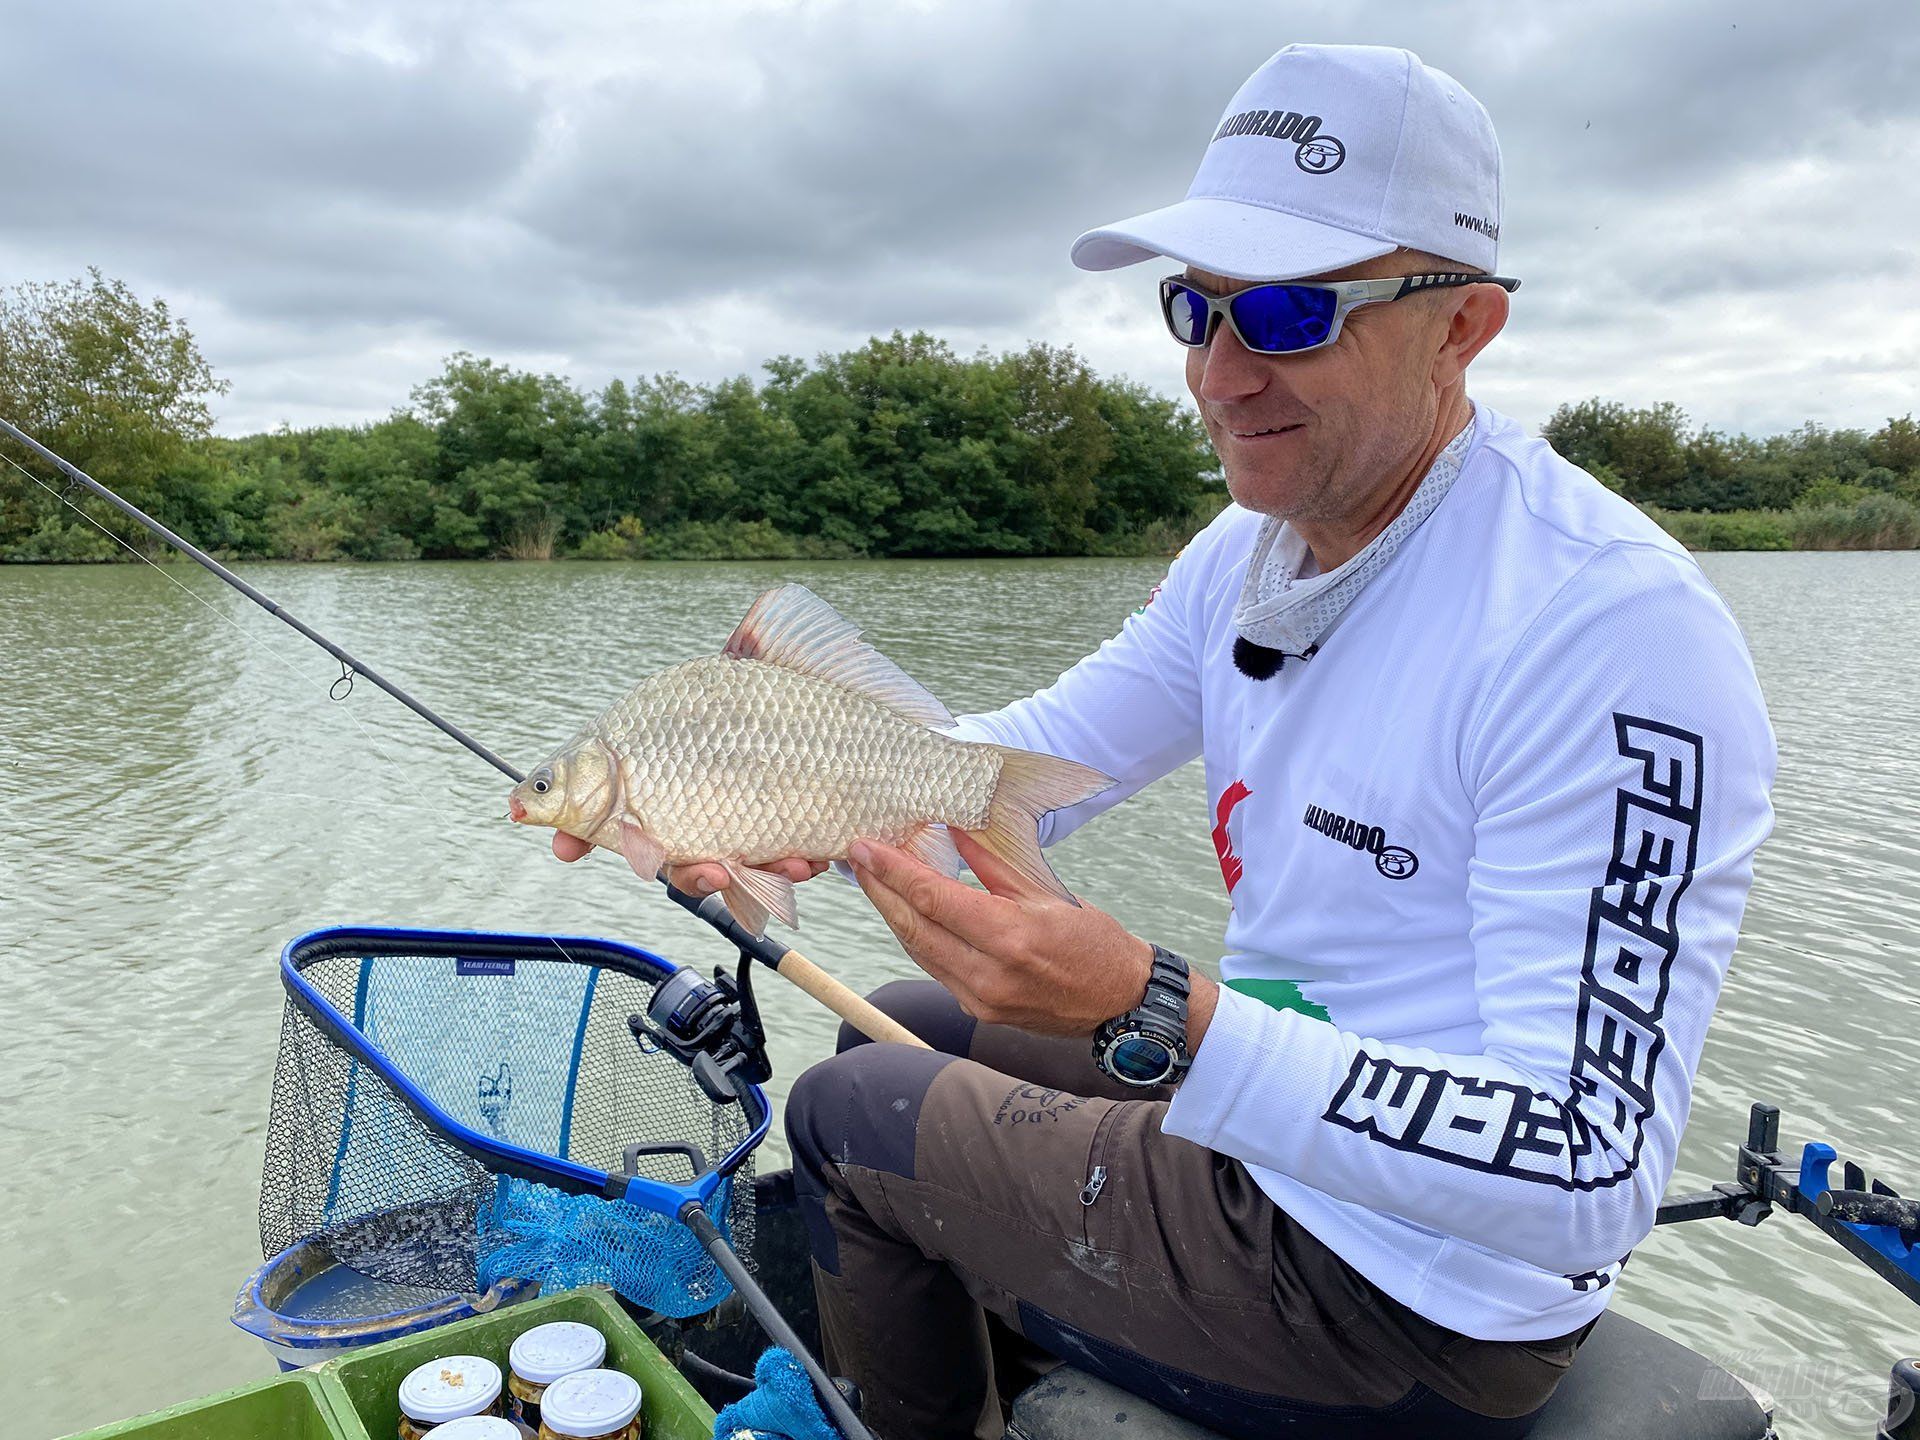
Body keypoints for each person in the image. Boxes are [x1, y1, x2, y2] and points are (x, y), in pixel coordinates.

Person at [558, 42, 1776, 1440]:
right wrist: (807, 784)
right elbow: (1028, 767)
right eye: (1193, 306)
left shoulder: (1608, 639)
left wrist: (1162, 1012)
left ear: (1465, 327)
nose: (1220, 372)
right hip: (1284, 1122)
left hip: (1416, 1297)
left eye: (1286, 312)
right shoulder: (1251, 547)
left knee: (848, 1122)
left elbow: (1586, 1169)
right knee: (907, 1020)